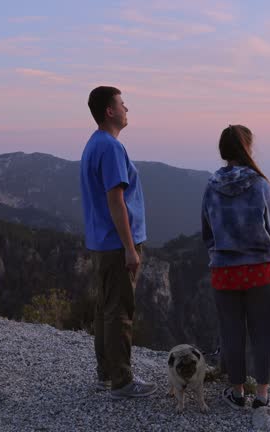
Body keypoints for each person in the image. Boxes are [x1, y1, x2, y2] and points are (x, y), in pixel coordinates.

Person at [80, 86, 156, 400]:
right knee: (120, 311)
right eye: (123, 104)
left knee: (105, 309)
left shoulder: (94, 144)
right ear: (110, 111)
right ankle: (122, 381)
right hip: (115, 244)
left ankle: (105, 374)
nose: (128, 109)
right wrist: (129, 246)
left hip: (101, 242)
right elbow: (116, 200)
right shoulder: (110, 148)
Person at [201, 124, 270, 409]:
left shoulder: (212, 186)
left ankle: (236, 392)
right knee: (264, 330)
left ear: (223, 151)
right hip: (259, 268)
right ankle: (261, 394)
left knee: (231, 330)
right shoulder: (260, 185)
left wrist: (221, 250)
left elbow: (207, 231)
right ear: (247, 148)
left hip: (224, 270)